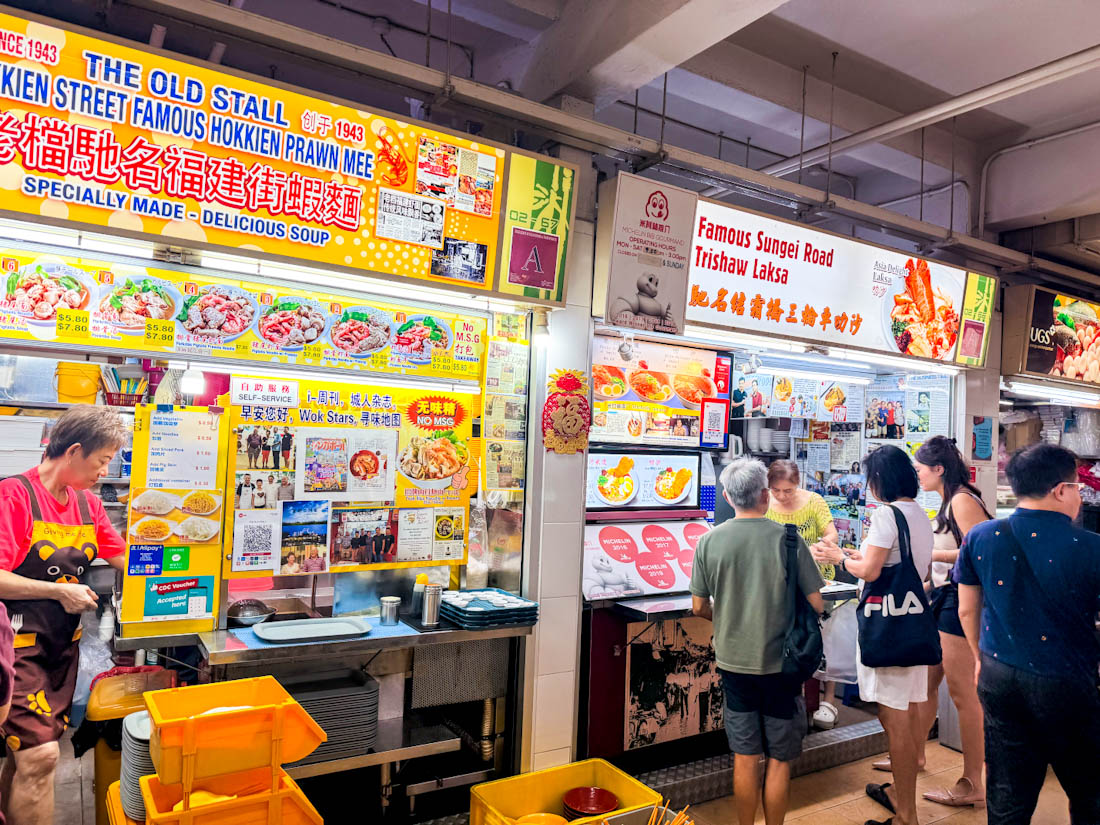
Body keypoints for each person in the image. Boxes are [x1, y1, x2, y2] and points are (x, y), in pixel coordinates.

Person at [957, 443, 1100, 824]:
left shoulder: (980, 536)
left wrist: (977, 659)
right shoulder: (1091, 547)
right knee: (1090, 791)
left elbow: (967, 608)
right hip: (1067, 682)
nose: (1079, 498)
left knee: (1007, 795)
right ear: (1060, 490)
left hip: (998, 676)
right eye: (1077, 488)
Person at [0, 406, 128, 825]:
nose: (104, 472)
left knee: (26, 755)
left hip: (60, 648)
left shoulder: (88, 505)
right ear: (74, 451)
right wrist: (57, 590)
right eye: (102, 460)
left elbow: (124, 557)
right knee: (41, 756)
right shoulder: (14, 496)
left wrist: (182, 576)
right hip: (16, 647)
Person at [691, 457, 824, 825]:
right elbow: (816, 602)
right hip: (783, 664)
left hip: (733, 662)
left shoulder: (708, 541)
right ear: (765, 495)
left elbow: (699, 605)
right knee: (780, 759)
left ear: (727, 496)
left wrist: (731, 615)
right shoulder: (790, 540)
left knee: (745, 756)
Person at [814, 445, 936, 825]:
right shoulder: (918, 514)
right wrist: (855, 553)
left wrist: (838, 558)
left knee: (894, 719)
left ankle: (906, 815)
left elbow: (868, 572)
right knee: (905, 713)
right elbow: (904, 565)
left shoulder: (886, 513)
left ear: (879, 480)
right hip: (912, 624)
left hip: (889, 631)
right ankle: (904, 800)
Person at [900, 436, 990, 807]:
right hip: (943, 599)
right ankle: (913, 756)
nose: (917, 476)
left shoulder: (963, 500)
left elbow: (978, 552)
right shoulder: (950, 500)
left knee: (965, 697)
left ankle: (973, 784)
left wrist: (931, 553)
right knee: (925, 681)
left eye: (920, 470)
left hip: (960, 604)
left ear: (938, 469)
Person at [765, 460, 844, 731]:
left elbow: (831, 533)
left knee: (824, 637)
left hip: (817, 578)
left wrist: (817, 547)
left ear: (797, 484)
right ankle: (792, 698)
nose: (782, 496)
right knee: (789, 638)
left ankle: (829, 700)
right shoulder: (765, 504)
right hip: (780, 582)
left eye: (788, 490)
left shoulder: (814, 501)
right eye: (776, 490)